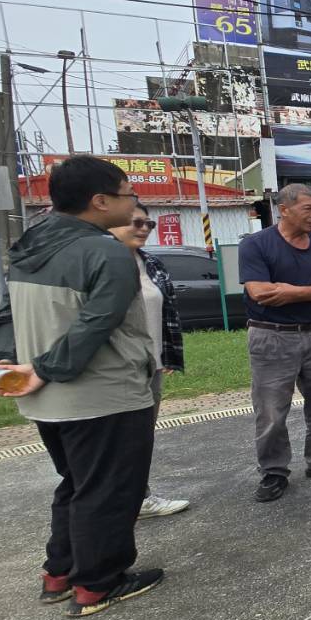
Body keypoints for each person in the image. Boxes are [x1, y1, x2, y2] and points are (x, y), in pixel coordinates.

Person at [0, 156, 165, 616]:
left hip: (49, 402)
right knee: (111, 490)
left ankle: (59, 572)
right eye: (126, 193)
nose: (133, 201)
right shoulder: (106, 252)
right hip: (103, 393)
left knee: (76, 484)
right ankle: (98, 583)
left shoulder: (31, 245)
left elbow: (9, 315)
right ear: (99, 201)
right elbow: (97, 324)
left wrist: (6, 367)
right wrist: (47, 367)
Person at [239, 184, 311, 503]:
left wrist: (292, 293)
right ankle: (274, 471)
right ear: (284, 209)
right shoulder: (256, 245)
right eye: (308, 209)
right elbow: (260, 292)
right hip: (271, 335)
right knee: (272, 408)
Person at [110, 203, 191, 520]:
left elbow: (166, 315)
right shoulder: (102, 264)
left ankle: (138, 499)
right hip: (116, 368)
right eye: (136, 222)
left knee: (141, 438)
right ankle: (114, 504)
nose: (143, 228)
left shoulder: (152, 264)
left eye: (149, 224)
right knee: (113, 440)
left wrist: (166, 355)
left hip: (151, 366)